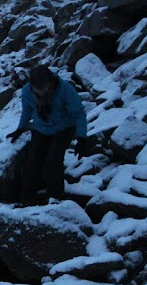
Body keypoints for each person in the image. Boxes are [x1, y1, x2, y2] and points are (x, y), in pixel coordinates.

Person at [6, 66, 90, 205]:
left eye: (43, 89)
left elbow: (79, 113)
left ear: (50, 83)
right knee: (32, 164)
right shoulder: (27, 91)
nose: (40, 92)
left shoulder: (65, 89)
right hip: (41, 129)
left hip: (64, 129)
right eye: (36, 89)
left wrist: (82, 137)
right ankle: (27, 201)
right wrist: (20, 128)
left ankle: (56, 200)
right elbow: (27, 109)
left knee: (53, 162)